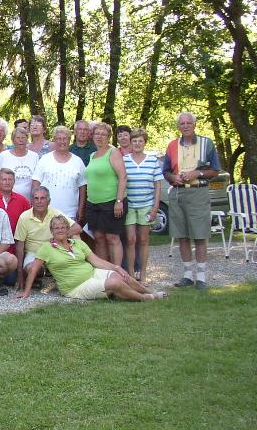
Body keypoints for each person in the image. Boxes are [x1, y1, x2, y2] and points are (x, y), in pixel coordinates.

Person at [17, 215, 167, 302]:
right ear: (51, 231)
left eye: (63, 227)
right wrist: (26, 292)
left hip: (92, 274)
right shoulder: (47, 248)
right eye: (56, 228)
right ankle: (146, 298)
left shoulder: (77, 243)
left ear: (68, 229)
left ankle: (146, 290)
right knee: (115, 282)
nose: (60, 230)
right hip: (75, 287)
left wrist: (116, 267)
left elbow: (96, 261)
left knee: (119, 275)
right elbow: (34, 270)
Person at [163, 112, 221, 289]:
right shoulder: (172, 145)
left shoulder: (206, 143)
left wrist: (198, 173)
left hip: (198, 192)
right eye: (182, 123)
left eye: (189, 123)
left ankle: (201, 277)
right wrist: (173, 178)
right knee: (181, 235)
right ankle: (187, 275)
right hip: (178, 193)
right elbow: (165, 171)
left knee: (200, 234)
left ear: (194, 125)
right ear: (178, 126)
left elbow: (215, 170)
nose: (186, 126)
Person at [14, 186, 81, 290]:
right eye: (36, 198)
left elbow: (77, 228)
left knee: (76, 236)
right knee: (30, 268)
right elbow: (20, 246)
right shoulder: (24, 217)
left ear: (48, 201)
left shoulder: (55, 213)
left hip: (55, 249)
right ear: (31, 201)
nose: (39, 202)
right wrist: (19, 275)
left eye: (43, 198)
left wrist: (58, 237)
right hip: (34, 253)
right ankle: (40, 276)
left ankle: (78, 269)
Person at [85, 122, 128, 265]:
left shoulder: (113, 152)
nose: (99, 137)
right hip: (93, 204)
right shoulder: (92, 155)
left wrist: (119, 201)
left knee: (112, 238)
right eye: (97, 133)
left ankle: (118, 272)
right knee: (98, 237)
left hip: (111, 202)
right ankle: (104, 273)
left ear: (109, 137)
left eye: (103, 134)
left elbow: (123, 176)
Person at [123, 128, 162, 281]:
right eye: (135, 141)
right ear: (131, 143)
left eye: (140, 141)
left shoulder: (152, 160)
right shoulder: (125, 160)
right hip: (130, 205)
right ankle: (132, 275)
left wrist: (155, 207)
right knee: (130, 239)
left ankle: (144, 275)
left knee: (144, 240)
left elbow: (158, 185)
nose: (137, 144)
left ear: (145, 142)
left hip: (146, 204)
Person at [31, 126, 87, 222]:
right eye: (59, 139)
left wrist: (80, 209)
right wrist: (35, 205)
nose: (62, 142)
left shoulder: (78, 161)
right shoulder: (45, 159)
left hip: (70, 213)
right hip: (46, 211)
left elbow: (82, 188)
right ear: (54, 140)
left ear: (69, 140)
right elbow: (36, 184)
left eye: (65, 138)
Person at [0, 168, 31, 255]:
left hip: (16, 245)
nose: (7, 182)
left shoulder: (22, 200)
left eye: (10, 179)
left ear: (14, 182)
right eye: (4, 179)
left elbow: (29, 222)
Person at [0, 127, 40, 201]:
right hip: (8, 199)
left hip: (29, 200)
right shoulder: (4, 155)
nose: (21, 140)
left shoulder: (34, 156)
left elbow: (37, 179)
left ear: (27, 139)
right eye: (18, 137)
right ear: (13, 140)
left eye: (23, 137)